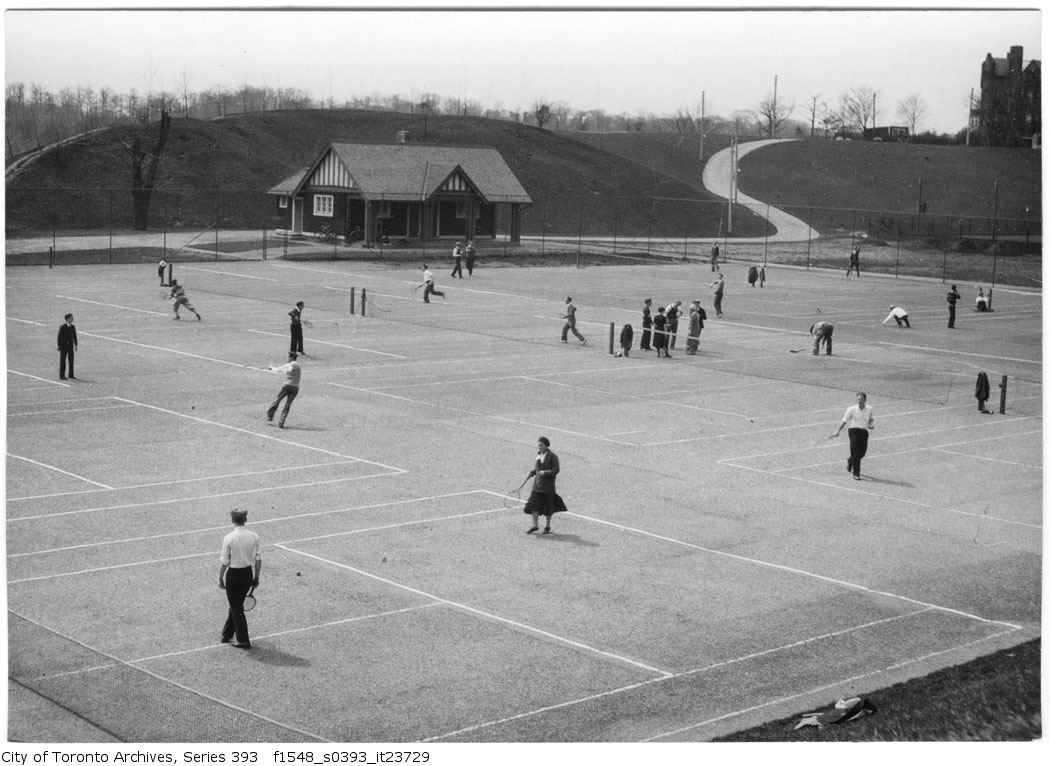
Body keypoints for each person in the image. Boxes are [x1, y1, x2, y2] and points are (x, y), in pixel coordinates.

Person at [219, 508, 262, 649]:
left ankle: (243, 639)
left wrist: (220, 578)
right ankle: (226, 634)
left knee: (236, 608)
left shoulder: (229, 538)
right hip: (247, 574)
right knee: (236, 605)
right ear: (246, 519)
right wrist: (256, 577)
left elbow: (225, 561)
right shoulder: (254, 536)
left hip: (234, 575)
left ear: (232, 520)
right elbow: (258, 559)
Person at [522, 436, 568, 534]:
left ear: (546, 446)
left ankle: (547, 526)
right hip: (537, 486)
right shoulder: (538, 455)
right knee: (533, 505)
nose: (539, 447)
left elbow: (556, 470)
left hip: (548, 487)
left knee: (548, 508)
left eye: (541, 445)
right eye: (538, 445)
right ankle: (535, 525)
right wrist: (532, 472)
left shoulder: (553, 457)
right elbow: (538, 469)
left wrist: (546, 472)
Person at [830, 392, 874, 480]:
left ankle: (850, 460)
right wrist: (837, 431)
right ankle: (856, 474)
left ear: (865, 400)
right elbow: (844, 420)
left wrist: (871, 424)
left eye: (861, 399)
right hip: (854, 431)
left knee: (862, 452)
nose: (859, 401)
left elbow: (870, 419)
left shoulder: (869, 409)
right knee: (856, 452)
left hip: (864, 431)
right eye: (858, 399)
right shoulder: (851, 409)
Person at [266, 352, 301, 428]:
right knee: (287, 405)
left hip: (287, 385)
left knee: (278, 399)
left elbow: (279, 369)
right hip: (295, 388)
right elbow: (287, 371)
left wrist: (271, 368)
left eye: (289, 357)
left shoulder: (290, 364)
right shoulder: (298, 366)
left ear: (291, 358)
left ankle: (270, 415)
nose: (288, 359)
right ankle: (282, 421)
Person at [57, 313, 78, 380]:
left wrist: (76, 345)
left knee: (71, 360)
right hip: (64, 346)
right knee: (63, 361)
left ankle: (71, 374)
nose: (72, 319)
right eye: (71, 318)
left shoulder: (73, 327)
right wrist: (59, 346)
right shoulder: (63, 327)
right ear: (67, 319)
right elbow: (59, 337)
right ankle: (62, 375)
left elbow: (74, 336)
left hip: (70, 346)